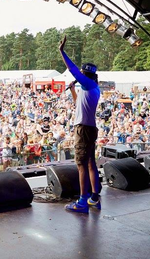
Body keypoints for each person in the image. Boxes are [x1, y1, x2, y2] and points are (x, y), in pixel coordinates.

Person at [59, 35, 101, 213]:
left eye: (82, 74)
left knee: (81, 165)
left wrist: (62, 51)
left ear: (85, 74)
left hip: (83, 130)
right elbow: (79, 104)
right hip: (89, 128)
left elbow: (73, 70)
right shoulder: (91, 88)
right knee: (91, 163)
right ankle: (94, 199)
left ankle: (82, 202)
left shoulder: (90, 84)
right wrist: (73, 90)